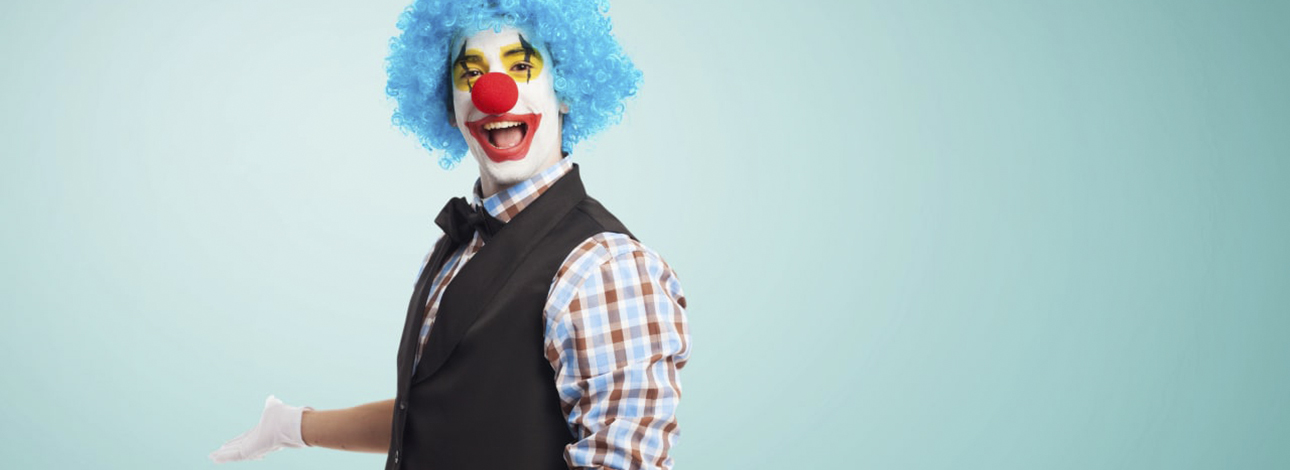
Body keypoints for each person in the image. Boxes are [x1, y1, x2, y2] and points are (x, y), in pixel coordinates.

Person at [207, 1, 691, 469]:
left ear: (565, 89)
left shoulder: (604, 267)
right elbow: (438, 421)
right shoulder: (454, 249)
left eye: (521, 65)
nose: (493, 92)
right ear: (449, 103)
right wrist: (293, 427)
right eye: (471, 72)